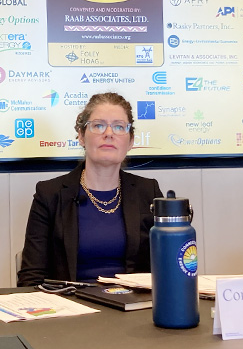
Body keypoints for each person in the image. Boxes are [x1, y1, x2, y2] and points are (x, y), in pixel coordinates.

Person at [17, 92, 162, 287]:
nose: (109, 133)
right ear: (81, 136)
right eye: (98, 125)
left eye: (119, 127)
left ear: (130, 141)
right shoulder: (50, 195)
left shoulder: (148, 192)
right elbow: (31, 277)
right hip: (70, 302)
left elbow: (168, 266)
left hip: (134, 301)